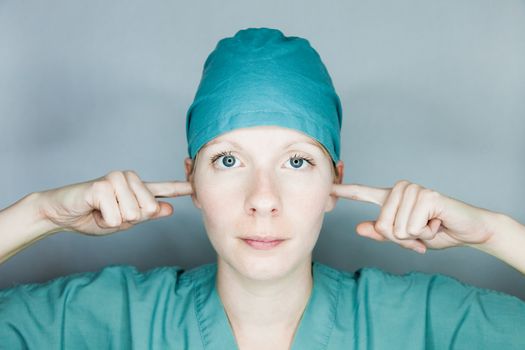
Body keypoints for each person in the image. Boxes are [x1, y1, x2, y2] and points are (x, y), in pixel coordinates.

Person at [1, 27, 524, 349]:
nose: (263, 198)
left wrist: (494, 232)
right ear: (192, 180)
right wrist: (40, 214)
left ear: (334, 183)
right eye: (228, 160)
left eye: (297, 161)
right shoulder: (109, 317)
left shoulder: (425, 320)